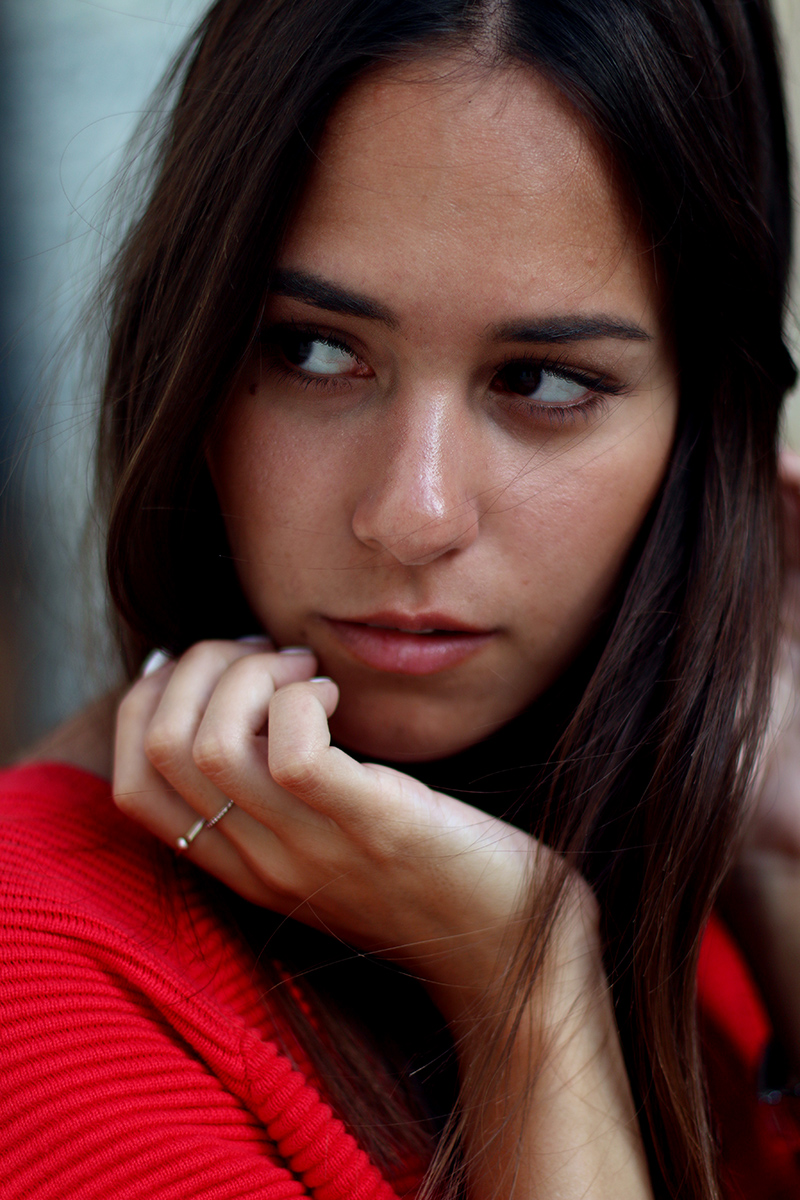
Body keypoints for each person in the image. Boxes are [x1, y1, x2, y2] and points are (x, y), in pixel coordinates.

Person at [2, 0, 800, 1196]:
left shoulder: (690, 875)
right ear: (194, 351)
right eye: (314, 350)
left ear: (705, 426)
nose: (411, 513)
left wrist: (778, 876)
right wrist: (525, 996)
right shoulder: (49, 978)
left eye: (540, 381)